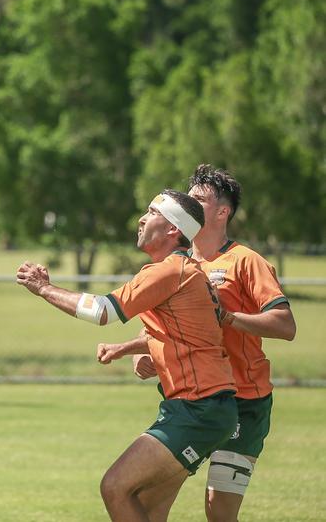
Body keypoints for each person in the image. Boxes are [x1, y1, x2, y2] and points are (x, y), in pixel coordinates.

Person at [17, 190, 238, 521]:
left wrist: (44, 288)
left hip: (198, 410)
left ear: (173, 230)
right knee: (147, 510)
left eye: (151, 213)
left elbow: (102, 311)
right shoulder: (183, 270)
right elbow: (178, 335)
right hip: (201, 408)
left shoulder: (168, 271)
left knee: (115, 487)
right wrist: (125, 349)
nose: (141, 218)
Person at [130, 165, 297, 521]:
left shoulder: (246, 261)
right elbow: (170, 328)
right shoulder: (180, 262)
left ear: (223, 212)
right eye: (188, 196)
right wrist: (140, 353)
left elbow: (285, 325)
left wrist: (232, 318)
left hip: (244, 404)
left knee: (218, 512)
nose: (190, 202)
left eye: (200, 199)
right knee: (149, 502)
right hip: (194, 403)